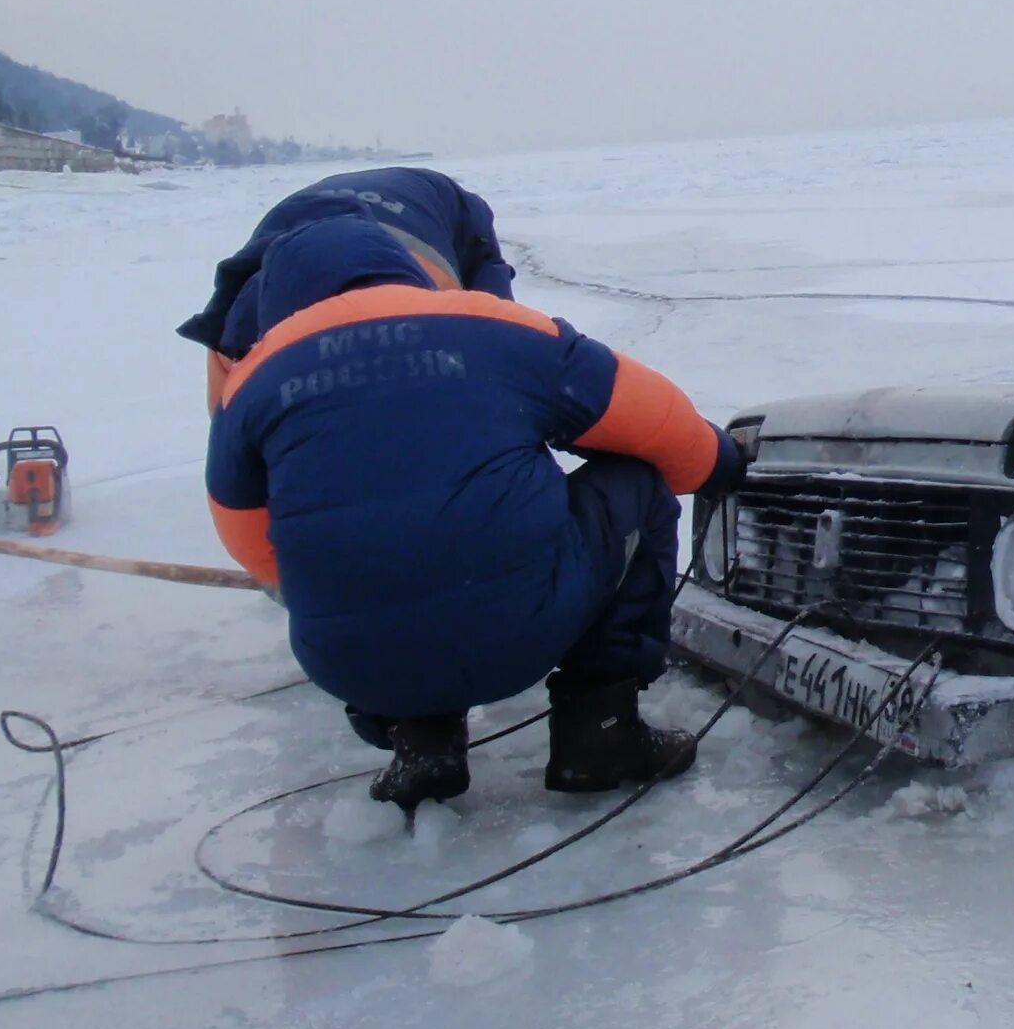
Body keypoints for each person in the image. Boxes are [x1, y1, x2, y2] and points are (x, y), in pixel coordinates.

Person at [203, 213, 744, 809]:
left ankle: (421, 737)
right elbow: (653, 420)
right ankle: (600, 729)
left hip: (358, 669)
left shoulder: (248, 388)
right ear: (402, 269)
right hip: (525, 630)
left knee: (362, 554)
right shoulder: (491, 328)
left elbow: (253, 545)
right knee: (635, 480)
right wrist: (718, 462)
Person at [178, 167, 520, 409]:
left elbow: (498, 343)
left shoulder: (432, 296)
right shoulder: (234, 342)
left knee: (492, 359)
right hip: (303, 217)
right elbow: (229, 437)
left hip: (438, 205)